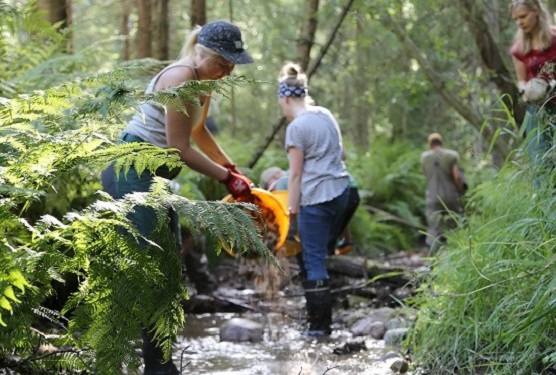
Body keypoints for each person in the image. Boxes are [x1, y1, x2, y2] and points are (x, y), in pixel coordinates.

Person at [101, 20, 254, 374]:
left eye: (233, 63)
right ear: (203, 53)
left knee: (169, 271)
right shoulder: (181, 77)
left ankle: (161, 364)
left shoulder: (202, 80)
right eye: (224, 62)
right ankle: (126, 362)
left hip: (153, 179)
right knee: (149, 272)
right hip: (131, 172)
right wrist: (227, 180)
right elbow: (179, 147)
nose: (229, 70)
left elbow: (198, 132)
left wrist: (229, 164)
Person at [277, 62, 350, 337]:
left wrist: (291, 212)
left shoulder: (296, 128)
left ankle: (319, 327)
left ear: (285, 98)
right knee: (320, 254)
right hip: (341, 192)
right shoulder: (325, 114)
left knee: (313, 260)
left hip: (316, 200)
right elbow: (341, 155)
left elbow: (295, 176)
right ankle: (328, 313)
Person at [510, 0, 556, 170]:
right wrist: (526, 90)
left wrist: (551, 85)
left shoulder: (554, 38)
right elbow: (521, 79)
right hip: (538, 110)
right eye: (515, 19)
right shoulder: (519, 49)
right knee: (541, 160)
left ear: (536, 11)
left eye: (523, 16)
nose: (519, 22)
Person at [420, 133, 464, 252]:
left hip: (433, 197)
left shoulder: (425, 157)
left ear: (430, 144)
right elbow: (457, 177)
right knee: (453, 226)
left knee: (434, 229)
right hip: (451, 196)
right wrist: (460, 190)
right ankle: (456, 253)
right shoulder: (451, 155)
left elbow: (426, 175)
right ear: (441, 142)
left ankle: (433, 259)